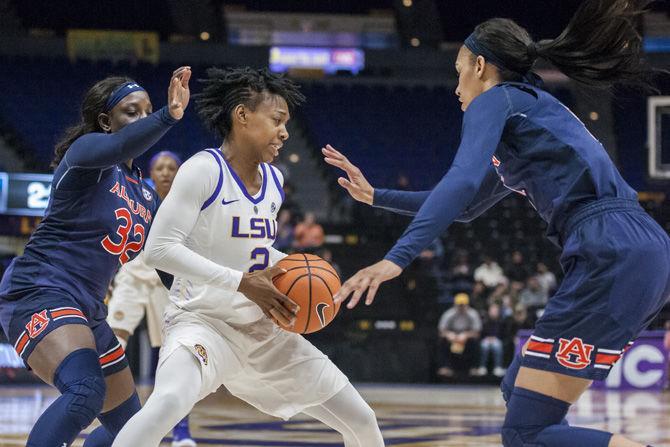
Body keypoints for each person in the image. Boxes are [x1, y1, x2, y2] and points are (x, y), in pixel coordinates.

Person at [323, 1, 670, 445]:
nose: (456, 87)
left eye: (458, 71)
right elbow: (468, 205)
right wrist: (375, 196)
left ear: (481, 66)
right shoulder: (534, 110)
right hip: (642, 247)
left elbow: (461, 181)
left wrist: (396, 258)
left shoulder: (497, 100)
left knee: (527, 433)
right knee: (518, 390)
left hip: (611, 248)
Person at [112, 67, 384, 447]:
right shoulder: (202, 170)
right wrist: (241, 282)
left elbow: (253, 249)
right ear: (242, 116)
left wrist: (294, 267)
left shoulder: (274, 181)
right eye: (277, 120)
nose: (285, 132)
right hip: (202, 323)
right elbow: (159, 248)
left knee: (362, 420)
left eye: (287, 123)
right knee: (168, 402)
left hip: (263, 330)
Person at [0, 67, 191, 447]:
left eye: (146, 110)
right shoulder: (86, 153)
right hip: (40, 290)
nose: (141, 119)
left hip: (89, 308)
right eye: (130, 112)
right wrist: (167, 115)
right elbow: (121, 147)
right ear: (106, 121)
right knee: (85, 390)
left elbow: (164, 261)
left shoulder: (146, 195)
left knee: (133, 431)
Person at [105, 150, 196, 447]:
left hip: (166, 282)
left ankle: (181, 431)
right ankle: (111, 420)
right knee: (110, 341)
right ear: (151, 172)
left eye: (172, 167)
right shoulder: (136, 195)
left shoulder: (189, 202)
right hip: (131, 275)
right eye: (161, 167)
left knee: (176, 356)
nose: (167, 172)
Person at [437, 293, 481, 377]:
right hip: (452, 335)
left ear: (467, 305)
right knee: (442, 341)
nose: (461, 308)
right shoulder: (448, 314)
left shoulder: (473, 314)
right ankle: (445, 367)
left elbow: (477, 332)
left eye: (463, 305)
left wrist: (466, 335)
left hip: (467, 336)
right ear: (455, 305)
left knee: (475, 342)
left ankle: (474, 368)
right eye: (459, 305)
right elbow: (441, 331)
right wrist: (449, 334)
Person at [475, 302, 506, 377]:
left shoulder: (502, 322)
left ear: (499, 312)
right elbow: (481, 333)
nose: (493, 312)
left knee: (497, 346)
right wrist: (487, 338)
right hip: (486, 339)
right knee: (484, 346)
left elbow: (504, 334)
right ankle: (482, 367)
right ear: (489, 311)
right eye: (492, 310)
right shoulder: (484, 321)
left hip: (497, 340)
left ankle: (498, 367)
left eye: (495, 311)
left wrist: (495, 338)